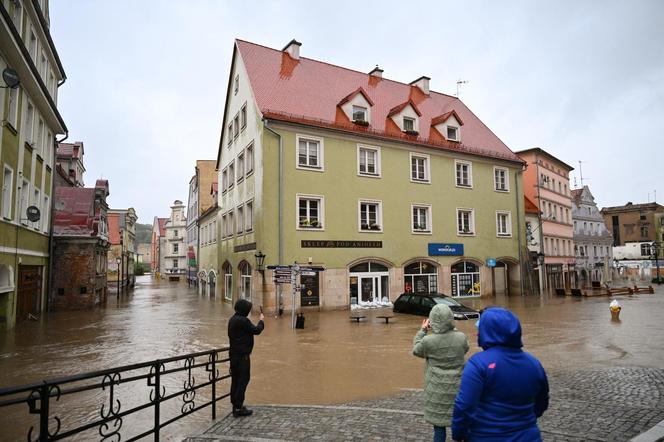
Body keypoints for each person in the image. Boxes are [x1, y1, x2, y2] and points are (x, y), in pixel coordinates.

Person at [451, 307, 549, 441]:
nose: (477, 334)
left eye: (481, 330)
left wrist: (458, 434)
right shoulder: (534, 364)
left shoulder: (477, 364)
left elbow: (464, 406)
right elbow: (542, 402)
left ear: (488, 333)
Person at [413, 304, 470, 442]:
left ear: (432, 321)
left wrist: (423, 330)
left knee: (439, 430)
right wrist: (452, 328)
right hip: (458, 387)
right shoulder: (461, 337)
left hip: (436, 390)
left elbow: (416, 349)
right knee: (462, 426)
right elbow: (466, 348)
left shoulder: (428, 341)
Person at [228, 299, 264, 417]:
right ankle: (239, 407)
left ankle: (235, 405)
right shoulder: (243, 321)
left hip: (233, 355)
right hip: (242, 356)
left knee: (235, 380)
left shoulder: (232, 319)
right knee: (243, 380)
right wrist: (261, 321)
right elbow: (256, 330)